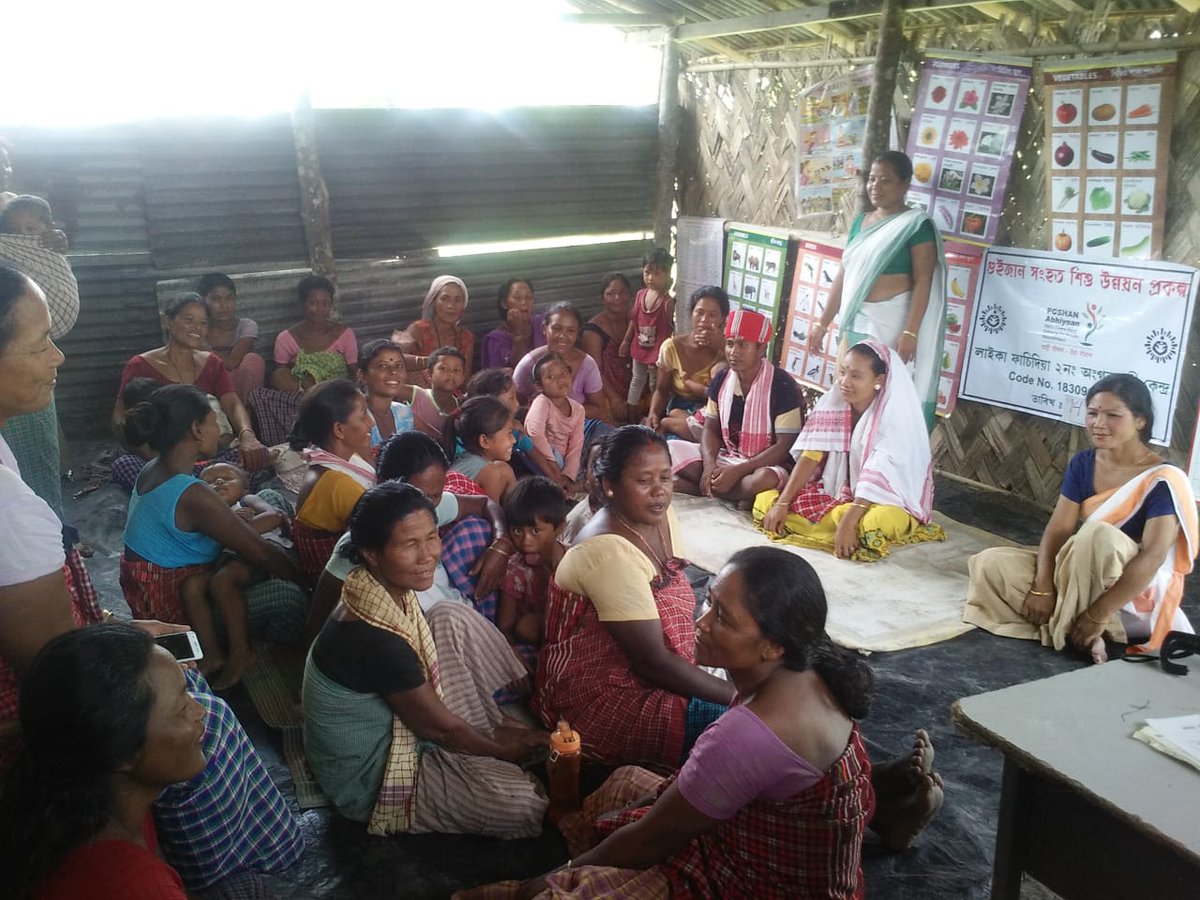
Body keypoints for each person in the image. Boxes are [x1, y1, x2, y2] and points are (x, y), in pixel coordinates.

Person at [0, 264, 303, 892]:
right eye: (37, 343)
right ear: (197, 431)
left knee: (191, 641)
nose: (58, 356)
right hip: (50, 726)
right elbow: (60, 676)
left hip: (128, 613)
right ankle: (245, 859)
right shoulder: (7, 515)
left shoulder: (140, 474)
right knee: (212, 715)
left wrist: (121, 625)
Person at [463, 547, 879, 900]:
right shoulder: (807, 672)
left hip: (756, 885)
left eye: (723, 617)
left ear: (772, 646)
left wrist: (537, 884)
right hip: (756, 841)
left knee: (569, 891)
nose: (702, 622)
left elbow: (650, 840)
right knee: (627, 783)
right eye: (709, 602)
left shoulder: (750, 735)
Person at [301, 481, 548, 836]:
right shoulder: (375, 637)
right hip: (370, 778)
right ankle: (489, 739)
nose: (428, 555)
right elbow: (437, 729)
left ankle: (487, 727)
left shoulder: (372, 588)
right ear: (371, 552)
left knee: (450, 614)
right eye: (409, 545)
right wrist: (504, 753)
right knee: (523, 804)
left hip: (404, 724)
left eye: (432, 537)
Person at [535, 426, 735, 767]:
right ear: (610, 486)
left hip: (657, 666)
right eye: (644, 481)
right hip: (602, 697)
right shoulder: (608, 550)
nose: (659, 492)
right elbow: (653, 664)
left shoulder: (656, 515)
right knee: (742, 727)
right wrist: (742, 699)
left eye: (665, 477)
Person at [965, 374, 1198, 663]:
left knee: (1099, 536)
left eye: (1112, 415)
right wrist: (1043, 586)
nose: (1099, 423)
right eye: (1092, 413)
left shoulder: (1163, 480)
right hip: (1080, 571)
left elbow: (1152, 557)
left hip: (1125, 593)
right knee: (990, 565)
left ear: (1140, 421)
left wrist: (1096, 614)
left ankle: (1079, 627)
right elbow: (1059, 528)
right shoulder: (1084, 463)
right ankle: (1080, 632)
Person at [121, 385, 308, 688]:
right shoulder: (193, 493)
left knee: (269, 495)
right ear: (196, 429)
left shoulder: (153, 469)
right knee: (289, 598)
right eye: (213, 421)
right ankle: (233, 652)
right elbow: (261, 554)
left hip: (154, 591)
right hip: (181, 614)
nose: (217, 428)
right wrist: (304, 581)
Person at [0, 624, 205, 900]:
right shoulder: (139, 885)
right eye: (181, 709)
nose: (200, 711)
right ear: (121, 750)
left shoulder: (79, 806)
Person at [306, 430, 517, 637]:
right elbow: (318, 622)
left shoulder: (426, 507)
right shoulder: (361, 543)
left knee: (476, 529)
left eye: (436, 496)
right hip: (430, 637)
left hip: (458, 619)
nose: (430, 506)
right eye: (424, 495)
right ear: (389, 487)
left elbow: (484, 503)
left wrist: (501, 543)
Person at [758, 340, 946, 561]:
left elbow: (880, 474)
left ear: (879, 380)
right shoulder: (835, 404)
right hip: (841, 493)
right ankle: (840, 527)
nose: (845, 382)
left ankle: (844, 527)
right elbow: (811, 456)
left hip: (884, 499)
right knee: (765, 500)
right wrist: (783, 503)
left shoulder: (896, 418)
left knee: (874, 522)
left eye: (856, 376)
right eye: (843, 372)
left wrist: (850, 519)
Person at [807, 151, 946, 426]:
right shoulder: (861, 222)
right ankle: (843, 461)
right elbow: (845, 275)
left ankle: (876, 462)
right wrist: (822, 324)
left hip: (892, 327)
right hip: (856, 322)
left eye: (886, 180)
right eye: (872, 179)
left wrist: (911, 331)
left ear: (905, 185)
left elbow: (923, 281)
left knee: (883, 398)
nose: (876, 187)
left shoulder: (917, 225)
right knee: (849, 393)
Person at [112, 292, 269, 472]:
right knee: (125, 466)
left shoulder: (212, 363)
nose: (197, 328)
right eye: (189, 320)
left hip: (210, 452)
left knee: (257, 459)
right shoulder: (140, 365)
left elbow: (232, 404)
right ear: (167, 321)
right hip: (159, 457)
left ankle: (204, 481)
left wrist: (247, 435)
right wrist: (158, 459)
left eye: (203, 323)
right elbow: (119, 419)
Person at [670, 309, 805, 504]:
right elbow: (710, 428)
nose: (734, 352)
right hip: (728, 457)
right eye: (730, 344)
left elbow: (784, 446)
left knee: (764, 479)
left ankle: (707, 489)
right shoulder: (722, 380)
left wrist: (739, 471)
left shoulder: (783, 386)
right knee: (671, 448)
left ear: (761, 349)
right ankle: (733, 492)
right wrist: (709, 466)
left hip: (765, 465)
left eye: (743, 345)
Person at [249, 275, 357, 446]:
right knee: (267, 386)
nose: (320, 309)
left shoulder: (344, 333)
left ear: (331, 305)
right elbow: (280, 378)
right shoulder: (286, 338)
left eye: (325, 303)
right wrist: (304, 383)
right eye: (313, 303)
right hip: (302, 398)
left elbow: (353, 371)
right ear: (301, 304)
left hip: (336, 396)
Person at [290, 379, 377, 584]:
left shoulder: (334, 458)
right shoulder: (337, 482)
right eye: (363, 414)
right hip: (343, 584)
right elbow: (380, 535)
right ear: (339, 430)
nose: (371, 422)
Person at [497, 476, 568, 670]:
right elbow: (505, 626)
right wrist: (513, 658)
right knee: (526, 626)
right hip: (539, 633)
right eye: (517, 531)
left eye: (536, 531)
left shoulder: (573, 561)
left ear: (560, 528)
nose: (526, 541)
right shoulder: (515, 570)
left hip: (570, 632)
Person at [514, 302, 611, 443]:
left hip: (580, 429)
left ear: (578, 333)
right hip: (540, 435)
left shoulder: (587, 364)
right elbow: (512, 407)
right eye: (556, 328)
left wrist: (563, 411)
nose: (562, 336)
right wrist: (542, 414)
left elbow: (598, 409)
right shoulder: (529, 364)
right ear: (544, 328)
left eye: (570, 330)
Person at [647, 285, 729, 441]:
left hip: (716, 413)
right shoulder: (672, 347)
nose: (704, 320)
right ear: (691, 314)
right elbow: (662, 390)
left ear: (722, 318)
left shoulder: (728, 349)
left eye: (712, 315)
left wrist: (722, 344)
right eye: (699, 312)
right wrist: (653, 413)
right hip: (680, 409)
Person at [464, 367, 559, 481]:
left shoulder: (515, 430)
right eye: (511, 398)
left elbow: (536, 455)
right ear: (490, 402)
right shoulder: (470, 436)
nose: (517, 404)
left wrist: (555, 481)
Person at [394, 275, 474, 388]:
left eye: (458, 300)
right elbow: (398, 363)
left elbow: (465, 378)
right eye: (445, 299)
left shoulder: (466, 337)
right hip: (421, 396)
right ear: (434, 302)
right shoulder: (418, 329)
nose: (451, 306)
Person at [620, 248, 675, 408]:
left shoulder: (667, 302)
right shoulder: (640, 295)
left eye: (657, 274)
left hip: (657, 353)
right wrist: (626, 340)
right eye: (647, 272)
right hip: (639, 347)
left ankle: (654, 412)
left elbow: (672, 328)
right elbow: (634, 320)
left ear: (667, 275)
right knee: (637, 379)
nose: (650, 278)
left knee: (655, 384)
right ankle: (631, 412)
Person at [198, 272, 265, 399]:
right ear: (203, 301)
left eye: (229, 298)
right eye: (215, 299)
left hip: (240, 391)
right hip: (210, 393)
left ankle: (245, 413)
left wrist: (204, 348)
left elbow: (232, 363)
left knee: (253, 360)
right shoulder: (199, 329)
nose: (224, 305)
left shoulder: (246, 326)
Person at [581, 273, 635, 423]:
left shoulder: (635, 322)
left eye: (623, 293)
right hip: (607, 393)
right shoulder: (593, 330)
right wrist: (614, 398)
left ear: (630, 296)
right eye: (611, 294)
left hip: (635, 390)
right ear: (602, 298)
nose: (617, 298)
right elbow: (594, 369)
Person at [525, 352, 585, 486]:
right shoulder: (542, 402)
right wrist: (554, 466)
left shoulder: (578, 409)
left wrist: (568, 474)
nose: (561, 379)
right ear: (539, 386)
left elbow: (576, 444)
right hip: (544, 459)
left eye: (564, 373)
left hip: (563, 461)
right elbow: (535, 434)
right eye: (551, 377)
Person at [447, 395, 517, 503]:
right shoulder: (491, 472)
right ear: (485, 441)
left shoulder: (465, 460)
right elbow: (492, 516)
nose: (514, 440)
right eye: (509, 433)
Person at [358, 338, 415, 453]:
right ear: (362, 375)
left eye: (398, 366)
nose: (393, 371)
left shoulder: (403, 412)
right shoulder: (354, 416)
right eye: (383, 366)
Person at [481, 277, 543, 369]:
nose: (524, 302)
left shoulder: (542, 325)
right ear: (504, 303)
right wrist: (518, 333)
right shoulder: (495, 340)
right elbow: (519, 370)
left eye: (529, 297)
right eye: (517, 298)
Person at [409, 346, 465, 443]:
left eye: (456, 370)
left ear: (463, 377)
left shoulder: (462, 406)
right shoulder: (416, 395)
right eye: (443, 368)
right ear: (429, 374)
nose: (451, 374)